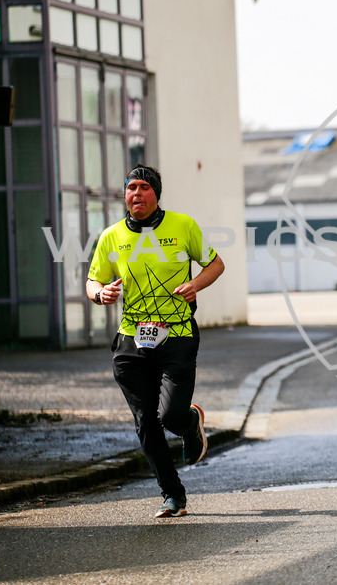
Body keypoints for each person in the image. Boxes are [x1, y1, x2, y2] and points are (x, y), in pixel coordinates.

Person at [87, 164, 225, 518]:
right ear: (125, 195)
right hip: (131, 340)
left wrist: (196, 284)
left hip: (177, 334)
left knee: (170, 414)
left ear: (156, 194)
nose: (137, 194)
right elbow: (92, 281)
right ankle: (172, 494)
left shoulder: (182, 225)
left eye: (144, 188)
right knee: (146, 421)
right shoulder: (112, 235)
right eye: (131, 187)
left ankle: (189, 423)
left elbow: (215, 264)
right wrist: (100, 292)